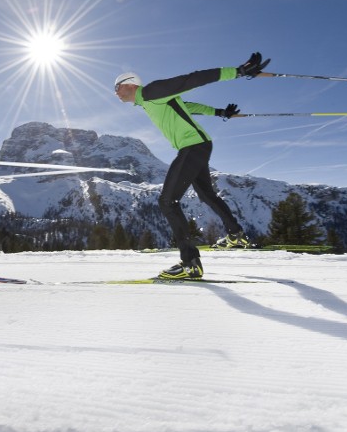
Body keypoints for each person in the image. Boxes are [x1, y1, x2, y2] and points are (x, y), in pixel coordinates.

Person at [114, 52, 270, 279]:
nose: (115, 93)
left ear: (129, 84)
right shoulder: (150, 101)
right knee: (207, 195)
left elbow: (192, 79)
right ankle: (236, 235)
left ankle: (190, 264)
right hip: (197, 146)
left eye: (116, 87)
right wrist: (220, 112)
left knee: (167, 201)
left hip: (193, 147)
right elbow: (189, 106)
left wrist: (238, 72)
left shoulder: (151, 92)